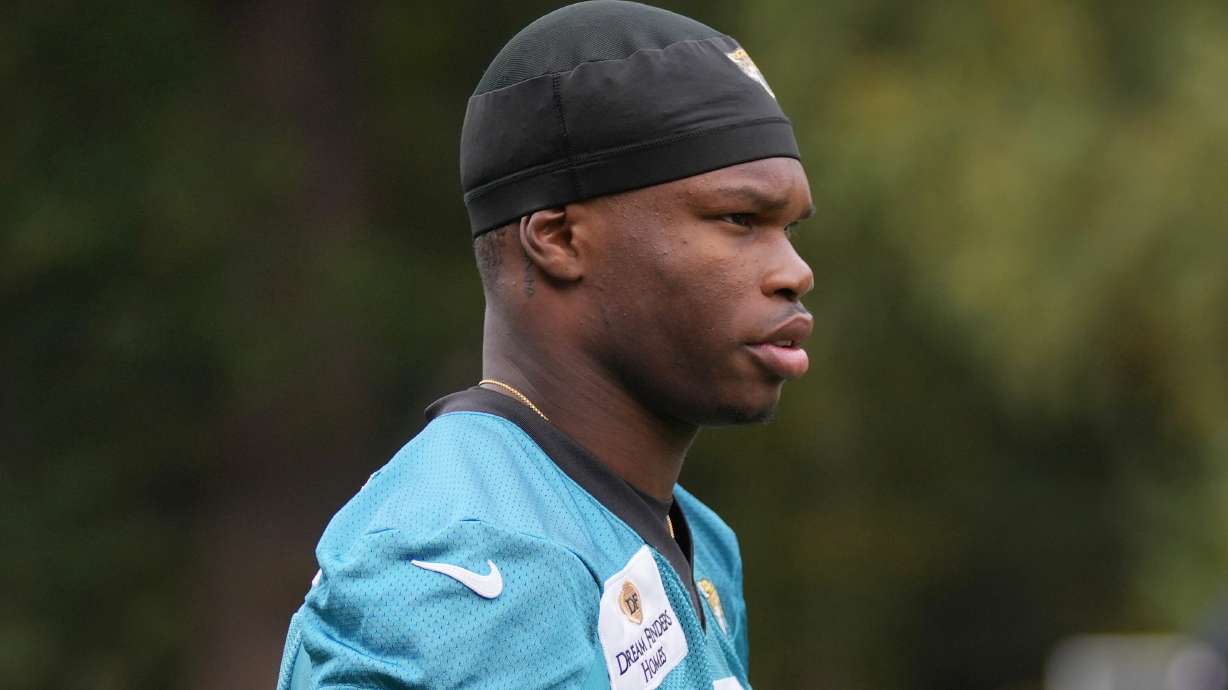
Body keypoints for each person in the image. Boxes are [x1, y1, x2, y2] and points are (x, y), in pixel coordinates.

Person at [276, 1, 814, 688]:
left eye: (790, 228)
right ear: (559, 238)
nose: (795, 271)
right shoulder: (469, 564)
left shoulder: (699, 541)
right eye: (741, 218)